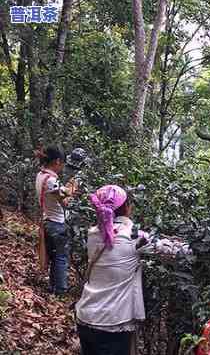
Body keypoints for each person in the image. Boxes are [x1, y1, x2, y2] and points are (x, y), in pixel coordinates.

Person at [75, 185, 189, 355]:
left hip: (85, 317)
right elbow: (177, 252)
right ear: (127, 207)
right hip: (112, 324)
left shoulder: (92, 233)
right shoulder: (133, 236)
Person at [34, 145, 77, 295]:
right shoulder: (52, 180)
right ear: (58, 161)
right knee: (60, 257)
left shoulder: (41, 175)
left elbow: (57, 195)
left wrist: (67, 189)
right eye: (63, 163)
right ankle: (60, 291)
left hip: (47, 219)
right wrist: (73, 187)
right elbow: (65, 202)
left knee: (53, 256)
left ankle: (53, 287)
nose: (63, 166)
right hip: (56, 223)